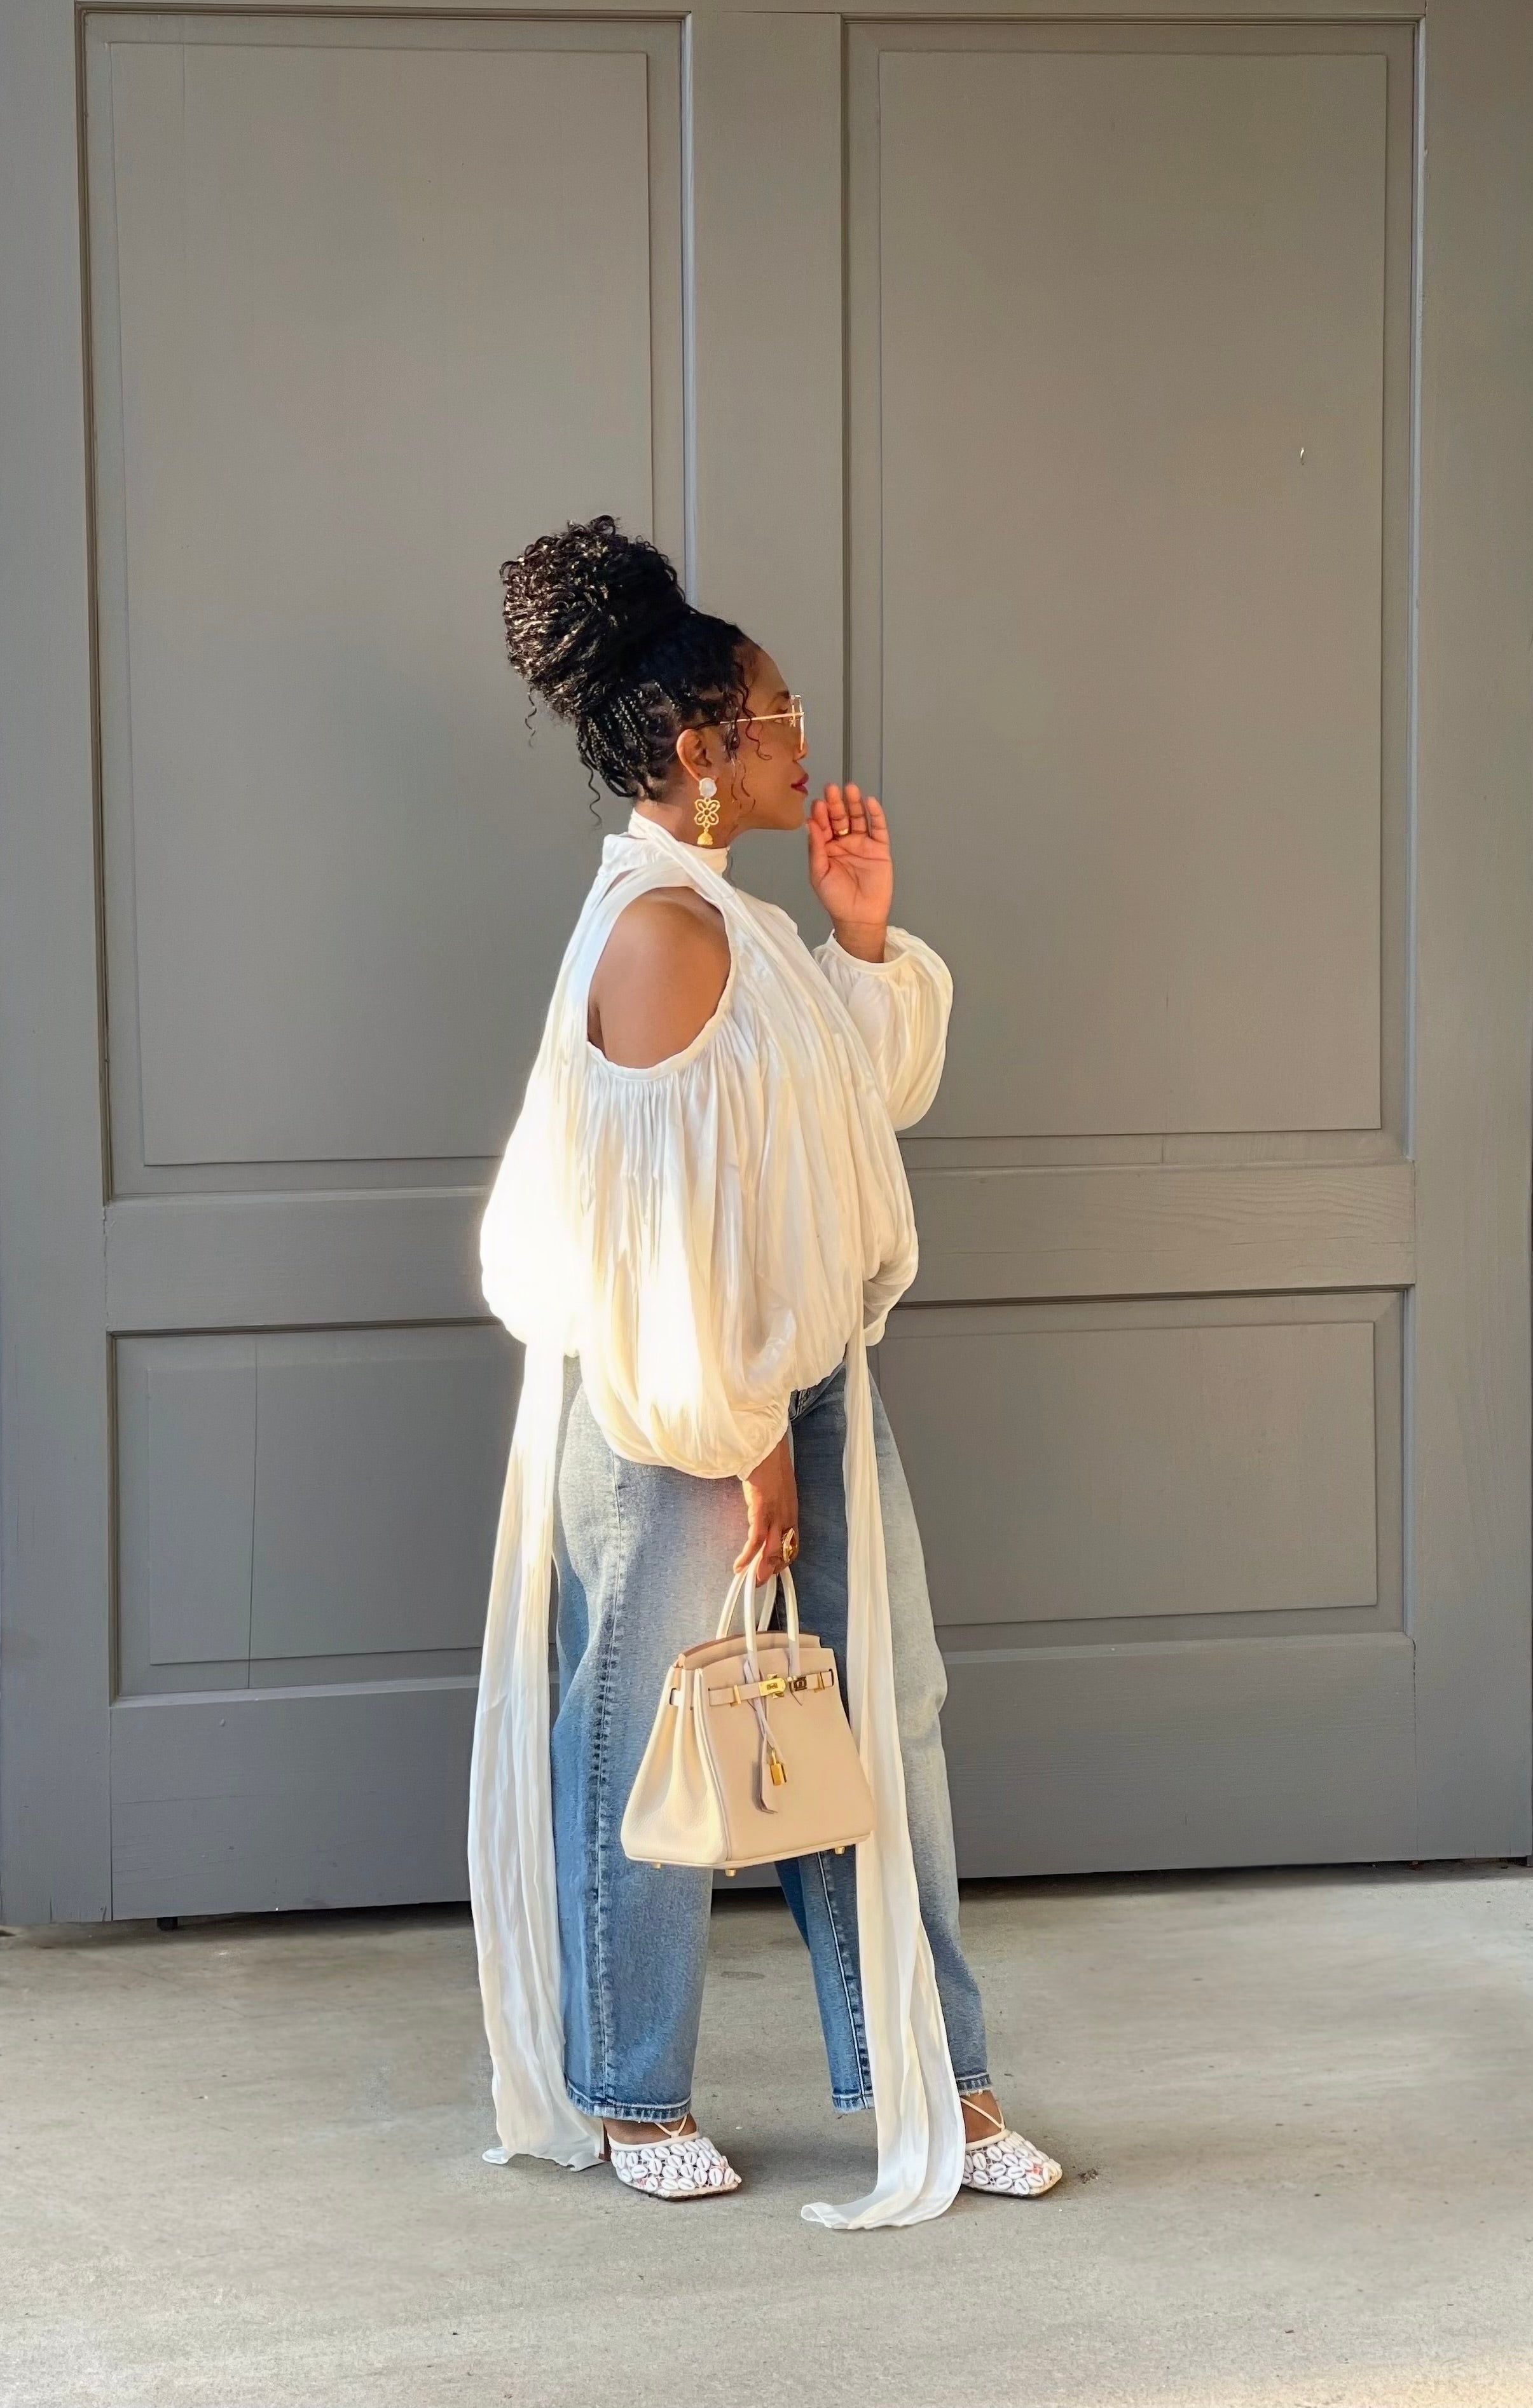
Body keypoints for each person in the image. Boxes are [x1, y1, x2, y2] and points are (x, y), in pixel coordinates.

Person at [469, 515, 1062, 2228]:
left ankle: (940, 2080)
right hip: (683, 1409)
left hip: (794, 1383)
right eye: (777, 709)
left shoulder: (734, 918)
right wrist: (745, 1445)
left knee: (889, 1721)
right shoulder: (658, 936)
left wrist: (862, 934)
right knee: (645, 1743)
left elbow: (830, 1136)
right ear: (695, 749)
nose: (807, 734)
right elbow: (661, 1251)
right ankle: (630, 2089)